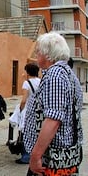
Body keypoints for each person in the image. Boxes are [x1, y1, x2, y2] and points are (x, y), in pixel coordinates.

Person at [24, 33, 83, 175]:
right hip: (65, 155)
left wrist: (36, 155)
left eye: (38, 51)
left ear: (48, 55)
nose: (36, 54)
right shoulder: (68, 74)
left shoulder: (54, 75)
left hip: (52, 158)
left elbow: (53, 120)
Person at [15, 63, 40, 164]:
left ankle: (26, 156)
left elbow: (24, 100)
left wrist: (20, 109)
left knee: (25, 132)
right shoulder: (40, 81)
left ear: (28, 72)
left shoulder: (26, 83)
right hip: (38, 110)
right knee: (35, 133)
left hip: (28, 110)